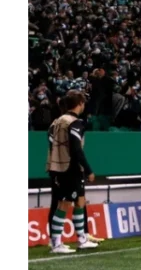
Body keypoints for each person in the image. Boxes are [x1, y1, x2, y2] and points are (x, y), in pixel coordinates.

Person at [45, 91, 98, 254]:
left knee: (80, 201)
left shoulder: (56, 122)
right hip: (71, 167)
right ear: (80, 104)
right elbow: (76, 148)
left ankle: (82, 238)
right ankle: (56, 243)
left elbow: (50, 143)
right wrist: (88, 169)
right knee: (65, 203)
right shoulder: (75, 123)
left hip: (56, 166)